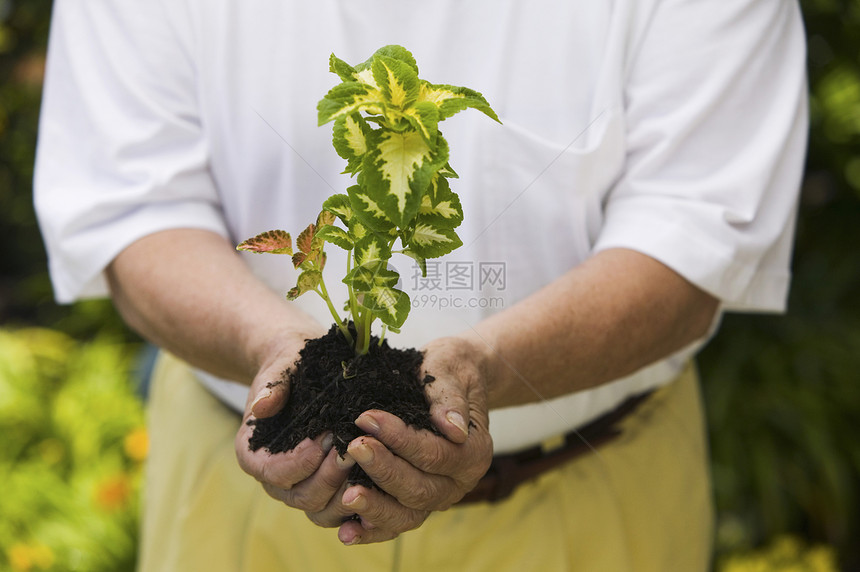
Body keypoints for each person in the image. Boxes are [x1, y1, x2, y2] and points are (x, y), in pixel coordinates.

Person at [34, 0, 808, 570]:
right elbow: (133, 207)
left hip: (589, 501)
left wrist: (482, 370)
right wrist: (272, 346)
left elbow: (695, 237)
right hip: (241, 501)